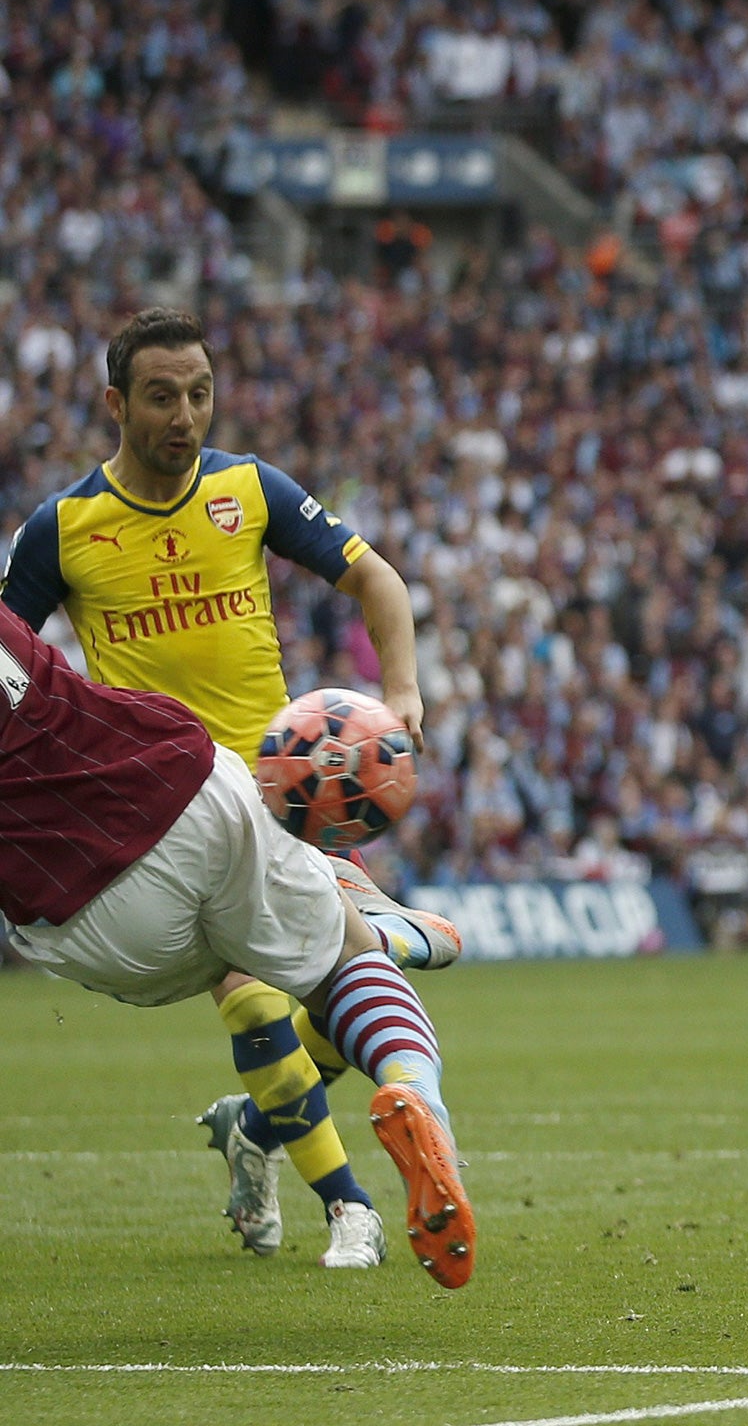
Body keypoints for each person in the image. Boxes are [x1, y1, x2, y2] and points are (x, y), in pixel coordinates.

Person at [0, 308, 460, 1271]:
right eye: (162, 396)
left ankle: (257, 1125)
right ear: (117, 403)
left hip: (286, 794)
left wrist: (405, 689)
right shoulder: (64, 528)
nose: (185, 415)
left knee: (325, 984)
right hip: (154, 810)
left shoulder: (250, 490)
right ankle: (350, 1207)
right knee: (256, 994)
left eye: (200, 394)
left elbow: (378, 580)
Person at [0, 598, 475, 1288]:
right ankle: (415, 1086)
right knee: (340, 963)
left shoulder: (64, 528)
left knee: (245, 974)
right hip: (176, 788)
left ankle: (300, 1148)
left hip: (89, 922)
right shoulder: (94, 520)